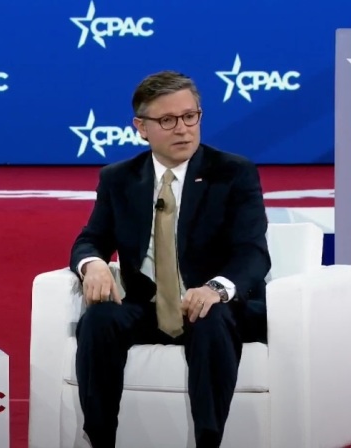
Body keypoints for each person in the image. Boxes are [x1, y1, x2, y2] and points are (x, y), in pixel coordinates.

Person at [69, 70, 270, 448]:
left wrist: (217, 288)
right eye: (167, 120)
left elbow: (253, 252)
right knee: (98, 319)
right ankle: (99, 439)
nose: (183, 129)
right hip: (148, 308)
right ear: (141, 128)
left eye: (190, 116)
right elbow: (90, 239)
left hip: (218, 311)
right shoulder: (119, 179)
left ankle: (208, 441)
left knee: (210, 318)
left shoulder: (233, 173)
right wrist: (92, 263)